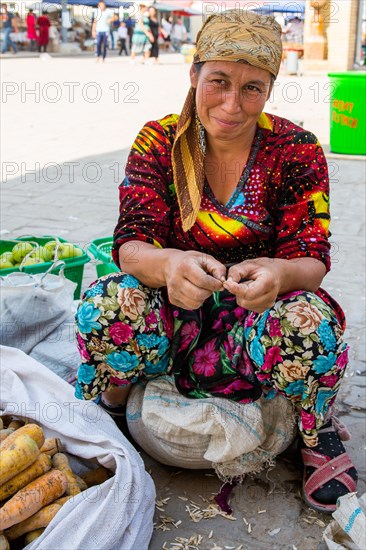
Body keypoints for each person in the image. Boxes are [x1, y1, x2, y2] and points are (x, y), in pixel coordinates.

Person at [75, 9, 357, 514]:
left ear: (270, 89)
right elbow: (130, 244)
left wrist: (278, 273)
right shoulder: (159, 142)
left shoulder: (296, 150)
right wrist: (168, 267)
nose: (232, 104)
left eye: (252, 88)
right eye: (219, 82)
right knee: (105, 304)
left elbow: (312, 257)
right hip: (172, 321)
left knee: (310, 325)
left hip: (255, 324)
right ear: (194, 75)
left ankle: (314, 432)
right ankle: (114, 403)